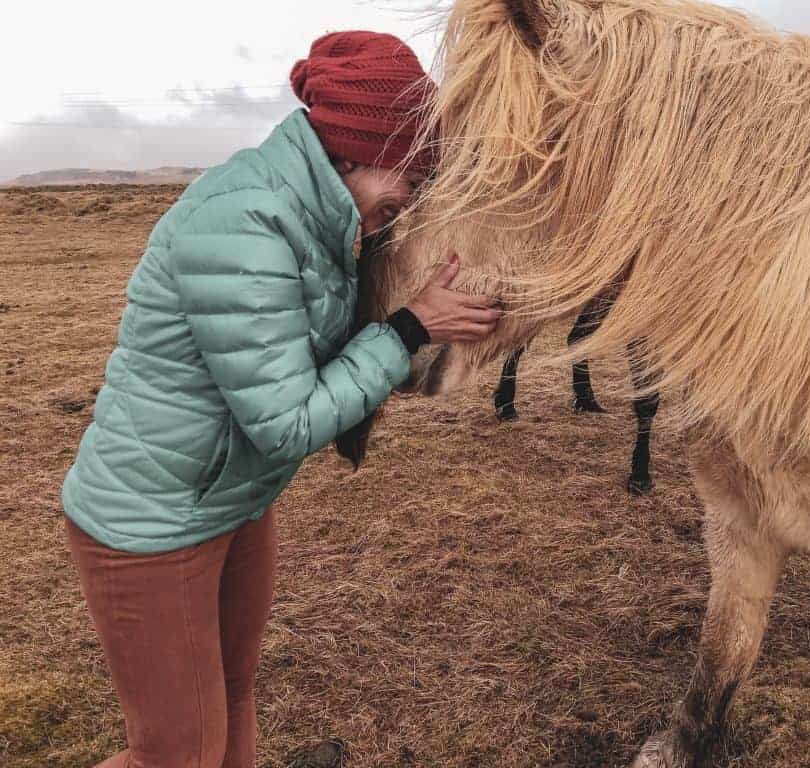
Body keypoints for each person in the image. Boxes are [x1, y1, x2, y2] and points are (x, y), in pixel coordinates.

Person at [61, 31, 499, 768]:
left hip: (227, 504)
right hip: (152, 528)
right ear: (354, 153)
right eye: (411, 174)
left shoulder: (319, 219)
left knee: (232, 697)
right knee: (177, 754)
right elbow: (284, 420)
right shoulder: (246, 222)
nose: (413, 196)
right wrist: (411, 329)